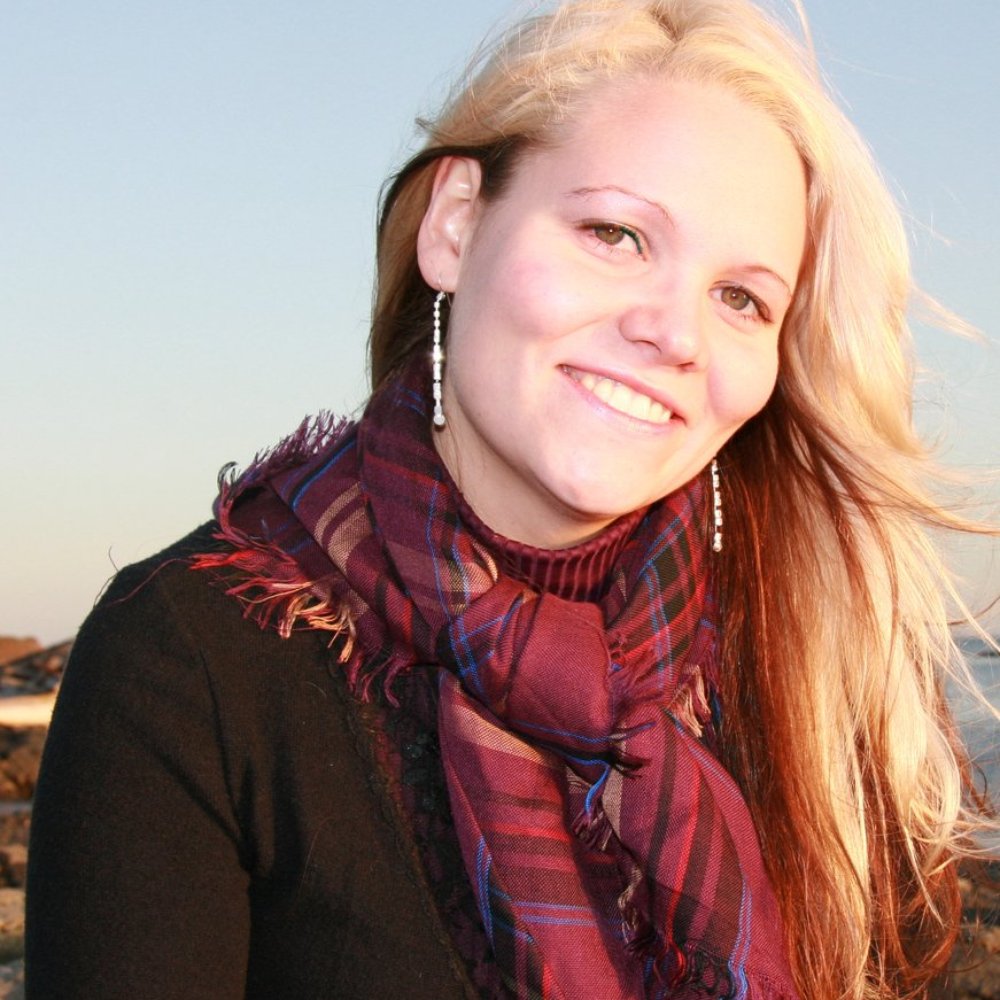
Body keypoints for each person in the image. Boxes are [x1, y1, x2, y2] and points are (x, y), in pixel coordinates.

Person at [25, 1, 997, 998]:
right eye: (615, 234)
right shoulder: (189, 662)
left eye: (741, 298)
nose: (675, 333)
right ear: (455, 225)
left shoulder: (815, 665)